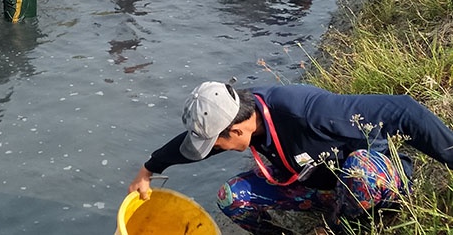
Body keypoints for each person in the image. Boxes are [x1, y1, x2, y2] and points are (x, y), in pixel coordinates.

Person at [127, 81, 453, 234]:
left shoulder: (308, 112)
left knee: (361, 172)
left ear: (236, 130)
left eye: (218, 144)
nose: (215, 150)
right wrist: (148, 169)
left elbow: (404, 110)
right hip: (323, 189)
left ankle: (345, 230)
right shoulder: (241, 116)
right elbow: (192, 143)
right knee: (231, 197)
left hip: (376, 186)